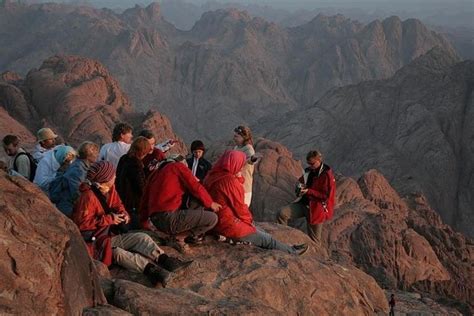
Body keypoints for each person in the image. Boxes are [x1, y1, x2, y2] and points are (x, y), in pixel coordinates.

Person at [72, 161, 192, 287]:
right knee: (119, 253)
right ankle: (153, 271)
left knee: (142, 237)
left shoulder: (109, 189)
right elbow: (81, 225)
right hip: (96, 244)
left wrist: (124, 214)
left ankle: (167, 261)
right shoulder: (88, 197)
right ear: (105, 179)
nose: (115, 177)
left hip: (108, 236)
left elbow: (117, 205)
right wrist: (109, 219)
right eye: (112, 176)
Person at [204, 150, 308, 255]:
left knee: (260, 231)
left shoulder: (214, 174)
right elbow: (239, 207)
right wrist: (249, 220)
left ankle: (286, 247)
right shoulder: (229, 182)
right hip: (228, 224)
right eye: (240, 164)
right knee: (266, 239)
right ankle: (293, 252)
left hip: (217, 219)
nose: (242, 166)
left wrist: (238, 175)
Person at [141, 155, 221, 250]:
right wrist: (210, 203)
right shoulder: (177, 166)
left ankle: (177, 235)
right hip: (170, 219)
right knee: (212, 219)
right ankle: (179, 238)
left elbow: (144, 200)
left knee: (193, 200)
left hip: (156, 220)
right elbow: (195, 186)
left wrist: (143, 223)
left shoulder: (155, 174)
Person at [277, 150, 335, 243]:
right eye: (308, 163)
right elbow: (301, 181)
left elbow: (325, 196)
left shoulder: (326, 175)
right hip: (303, 204)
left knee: (315, 241)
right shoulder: (308, 171)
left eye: (312, 163)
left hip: (316, 209)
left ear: (319, 160)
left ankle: (316, 257)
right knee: (282, 213)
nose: (310, 166)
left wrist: (309, 191)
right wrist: (299, 187)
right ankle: (284, 240)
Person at [49, 141, 99, 217]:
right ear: (88, 155)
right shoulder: (78, 169)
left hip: (69, 204)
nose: (97, 155)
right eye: (96, 153)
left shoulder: (81, 165)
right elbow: (76, 191)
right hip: (68, 206)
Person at [116, 136, 150, 229]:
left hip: (121, 198)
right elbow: (141, 187)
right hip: (132, 204)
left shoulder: (124, 158)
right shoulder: (135, 164)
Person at [233, 125, 257, 206]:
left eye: (237, 136)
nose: (234, 138)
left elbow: (251, 160)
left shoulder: (248, 149)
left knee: (243, 208)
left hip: (244, 185)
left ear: (243, 137)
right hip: (235, 183)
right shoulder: (236, 147)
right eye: (234, 136)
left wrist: (253, 159)